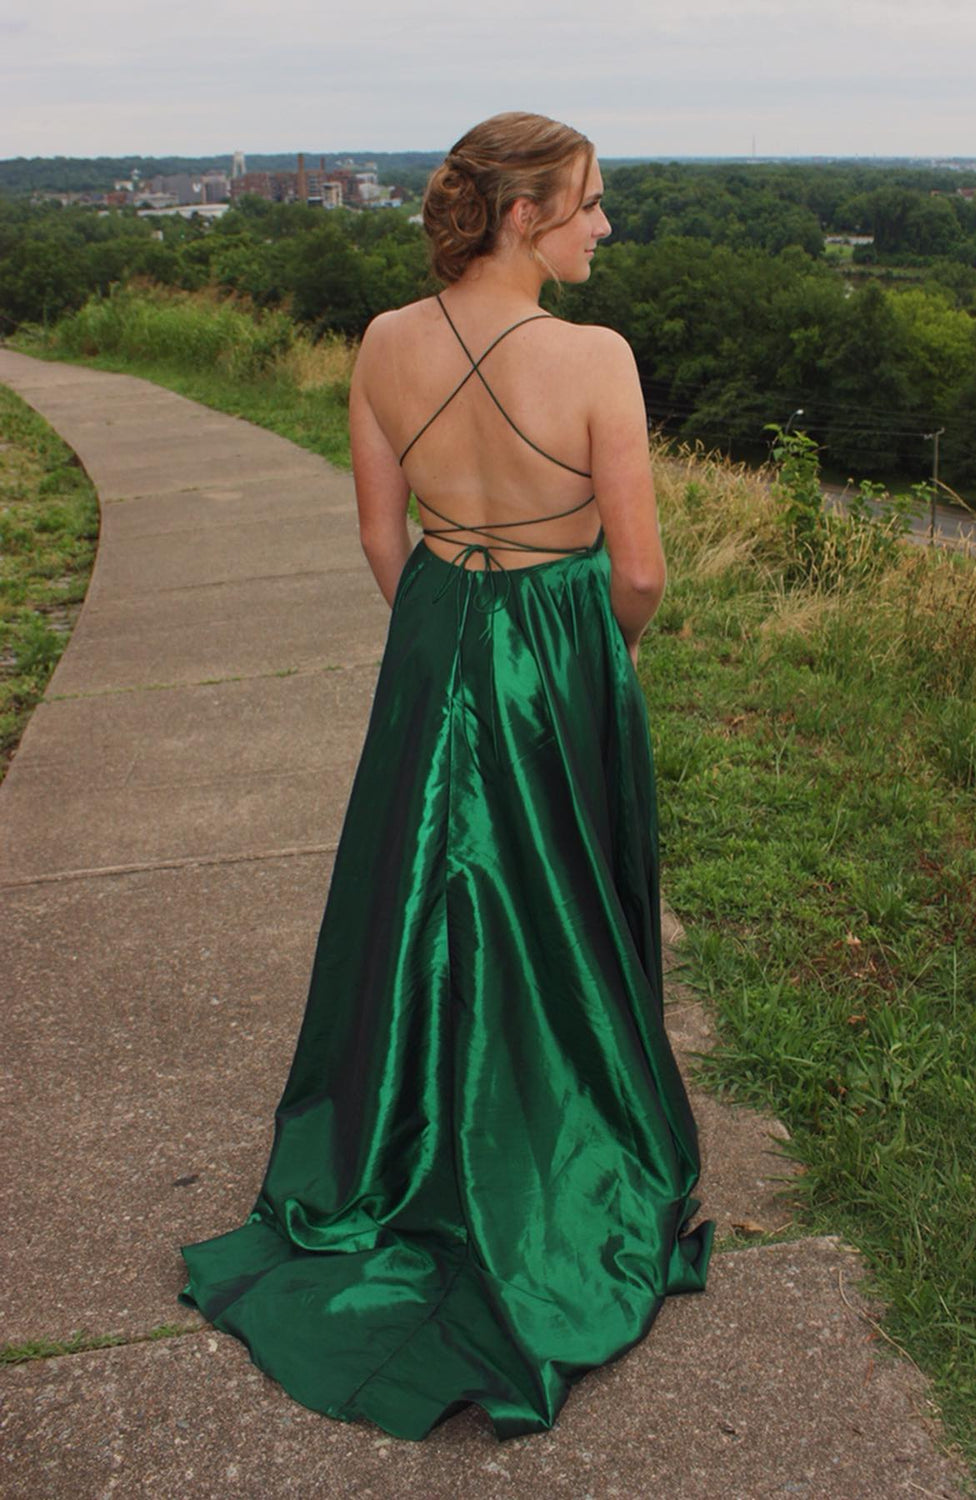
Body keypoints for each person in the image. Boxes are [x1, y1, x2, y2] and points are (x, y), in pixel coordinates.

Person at [179, 111, 712, 1442]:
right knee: (556, 895)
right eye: (591, 203)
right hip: (555, 638)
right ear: (525, 216)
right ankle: (551, 1152)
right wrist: (587, 658)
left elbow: (382, 532)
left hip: (433, 629)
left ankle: (404, 1140)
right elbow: (642, 571)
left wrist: (446, 645)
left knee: (423, 892)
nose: (605, 226)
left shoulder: (381, 341)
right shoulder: (595, 357)